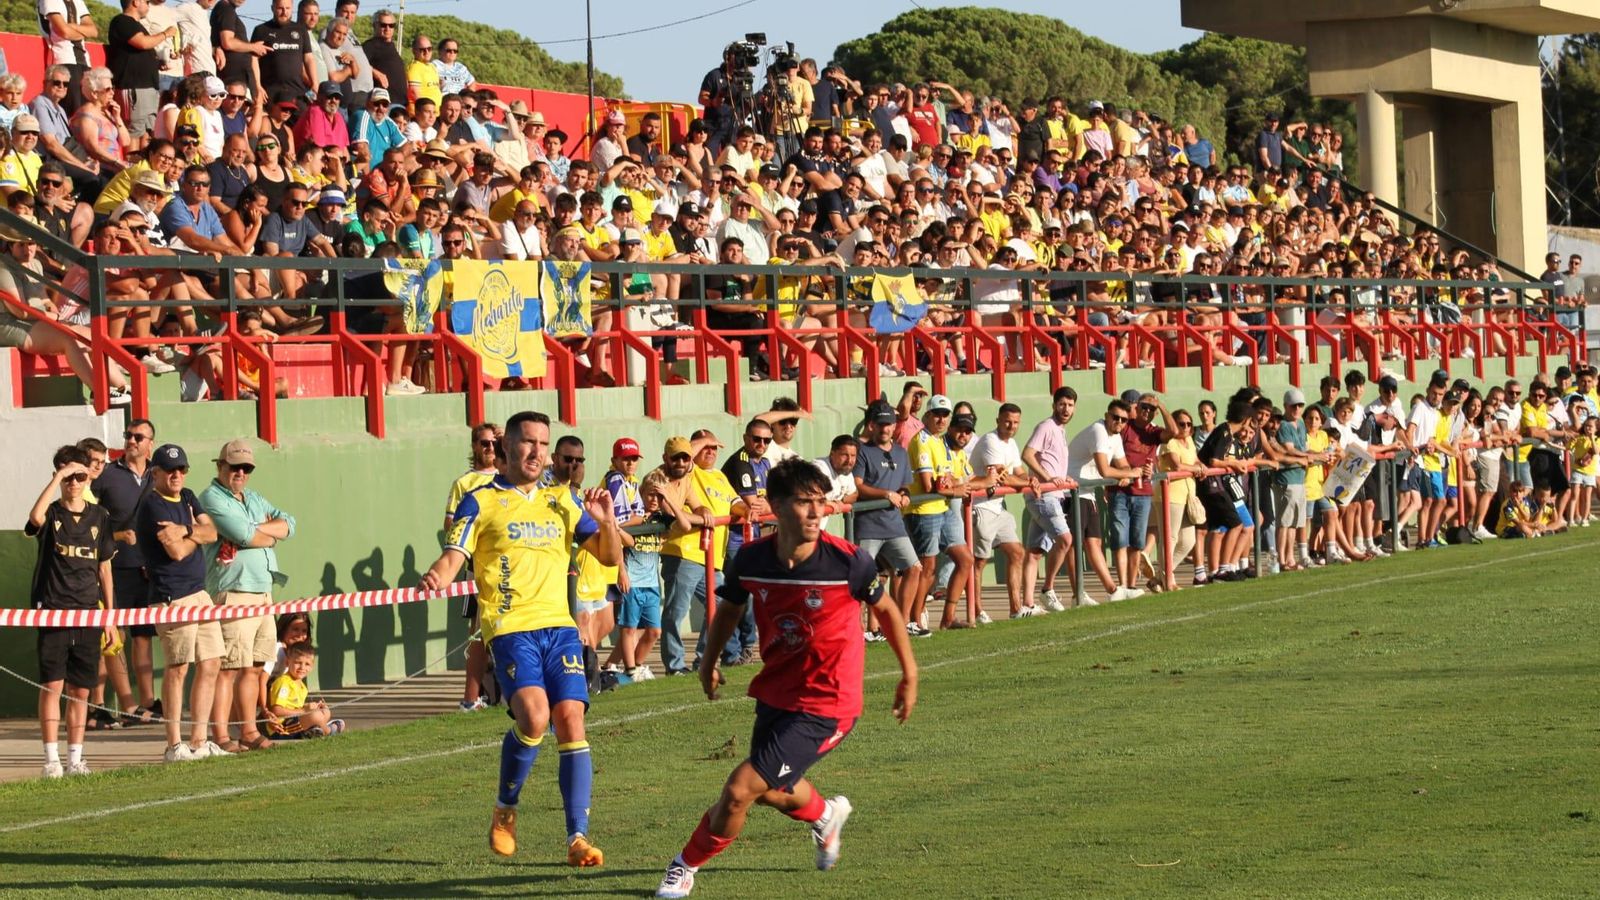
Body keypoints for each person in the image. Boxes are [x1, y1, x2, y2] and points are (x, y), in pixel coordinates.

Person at [653, 457, 919, 899]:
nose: (817, 513)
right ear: (775, 506)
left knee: (740, 790)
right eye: (804, 503)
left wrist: (909, 673)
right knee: (773, 790)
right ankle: (824, 817)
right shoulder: (753, 560)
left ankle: (683, 868)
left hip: (829, 703)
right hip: (777, 692)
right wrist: (708, 660)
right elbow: (731, 609)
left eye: (821, 503)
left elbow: (887, 610)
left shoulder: (847, 562)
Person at [419, 410, 621, 867]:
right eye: (528, 442)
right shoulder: (480, 499)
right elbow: (455, 553)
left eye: (543, 444)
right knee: (533, 718)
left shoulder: (562, 500)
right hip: (510, 628)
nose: (537, 452)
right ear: (506, 447)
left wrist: (606, 521)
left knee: (570, 717)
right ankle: (506, 808)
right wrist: (438, 573)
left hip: (560, 627)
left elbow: (608, 558)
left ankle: (578, 838)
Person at [197, 439, 294, 753]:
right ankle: (222, 736)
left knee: (253, 667)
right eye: (234, 466)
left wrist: (259, 530)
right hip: (233, 592)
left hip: (262, 591)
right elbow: (243, 535)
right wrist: (264, 533)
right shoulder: (211, 497)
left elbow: (289, 523)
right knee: (228, 669)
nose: (240, 472)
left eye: (246, 468)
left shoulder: (252, 496)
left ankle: (248, 732)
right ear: (220, 465)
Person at [27, 444, 117, 778]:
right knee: (53, 685)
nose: (74, 483)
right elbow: (35, 519)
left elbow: (104, 569)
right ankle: (51, 759)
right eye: (69, 477)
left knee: (81, 690)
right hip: (53, 611)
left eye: (80, 476)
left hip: (88, 613)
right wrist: (58, 478)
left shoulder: (101, 517)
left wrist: (110, 618)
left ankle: (76, 757)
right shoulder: (51, 513)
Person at [136, 442, 229, 762]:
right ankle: (174, 745)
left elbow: (212, 533)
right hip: (171, 596)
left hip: (199, 592)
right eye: (169, 470)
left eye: (182, 469)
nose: (177, 475)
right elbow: (175, 552)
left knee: (212, 662)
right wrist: (194, 534)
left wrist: (185, 530)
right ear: (156, 472)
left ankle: (200, 741)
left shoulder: (188, 496)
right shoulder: (151, 505)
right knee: (178, 669)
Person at [851, 400, 922, 640]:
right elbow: (858, 487)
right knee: (861, 577)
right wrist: (886, 495)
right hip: (869, 526)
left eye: (889, 424)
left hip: (894, 525)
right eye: (881, 424)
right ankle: (856, 629)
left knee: (914, 568)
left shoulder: (901, 452)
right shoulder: (863, 452)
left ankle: (901, 623)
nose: (885, 429)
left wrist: (904, 495)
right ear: (872, 426)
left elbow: (905, 486)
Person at [444, 421, 500, 711]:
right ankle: (470, 697)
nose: (490, 448)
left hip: (510, 567)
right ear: (475, 446)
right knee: (477, 633)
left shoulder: (512, 477)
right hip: (477, 570)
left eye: (495, 443)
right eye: (485, 443)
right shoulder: (464, 483)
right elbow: (450, 525)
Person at [968, 403, 1034, 618]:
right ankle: (977, 611)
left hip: (998, 507)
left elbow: (1018, 472)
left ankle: (1016, 609)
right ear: (997, 420)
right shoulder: (990, 441)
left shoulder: (1011, 443)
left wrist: (1030, 480)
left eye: (1015, 422)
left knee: (1017, 553)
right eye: (1007, 421)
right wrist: (1024, 483)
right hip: (981, 507)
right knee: (979, 561)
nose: (1011, 426)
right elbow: (1003, 476)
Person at [1019, 386, 1077, 612]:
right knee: (1066, 540)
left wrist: (1062, 478)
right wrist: (1048, 478)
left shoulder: (1060, 430)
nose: (1066, 409)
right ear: (1054, 405)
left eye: (1070, 405)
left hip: (1051, 494)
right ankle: (1047, 590)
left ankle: (1028, 604)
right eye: (1062, 404)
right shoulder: (1046, 426)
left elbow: (1052, 462)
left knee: (1034, 553)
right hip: (1044, 496)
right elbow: (1027, 454)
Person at [265, 642, 344, 737]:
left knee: (325, 711)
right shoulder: (284, 683)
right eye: (298, 663)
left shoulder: (302, 687)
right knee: (315, 715)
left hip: (294, 721)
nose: (302, 667)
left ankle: (314, 730)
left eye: (307, 664)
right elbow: (277, 711)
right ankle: (328, 730)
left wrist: (312, 706)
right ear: (287, 662)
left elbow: (295, 706)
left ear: (312, 666)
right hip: (281, 728)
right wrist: (304, 711)